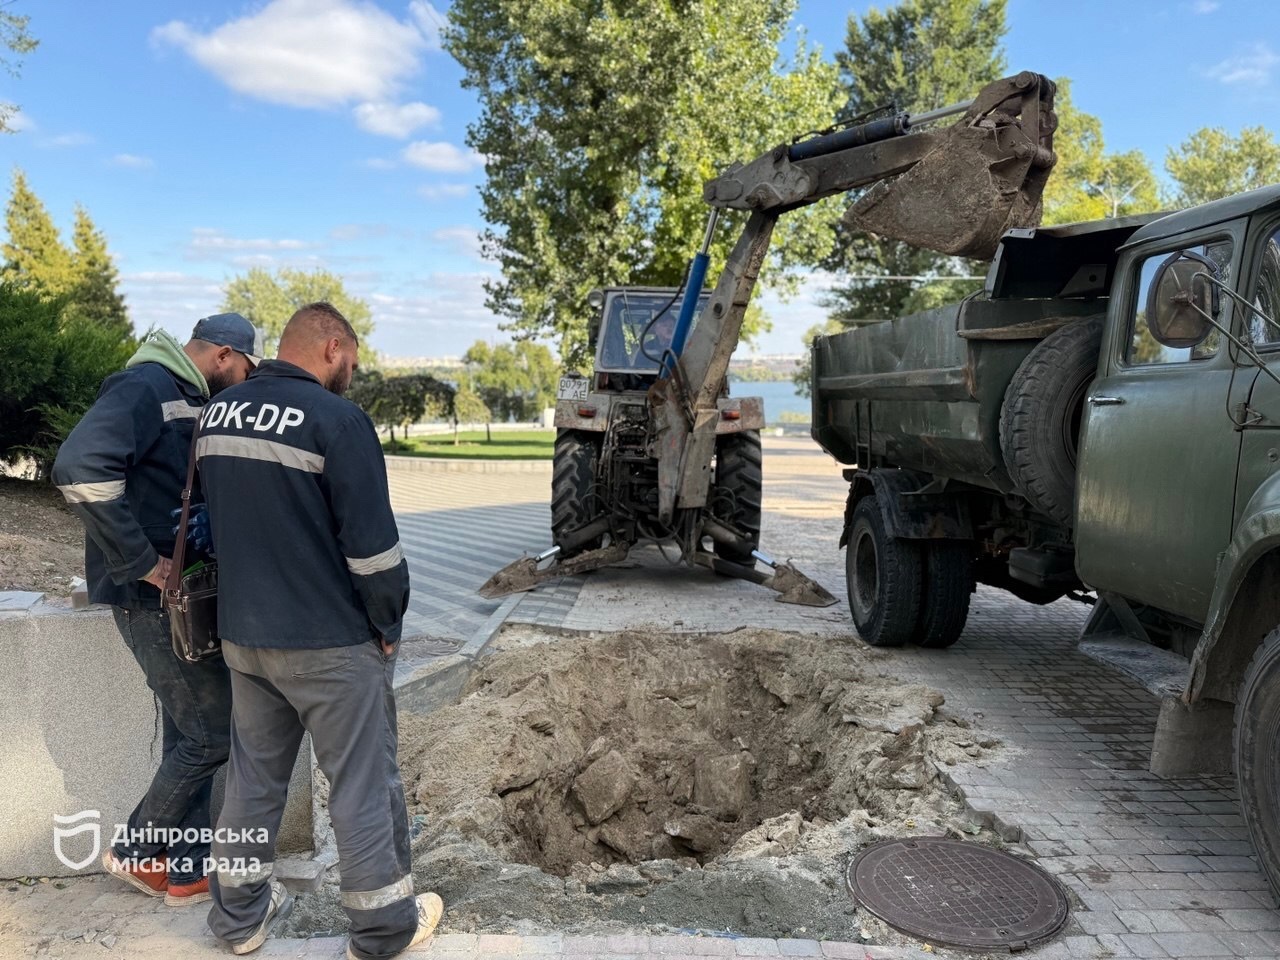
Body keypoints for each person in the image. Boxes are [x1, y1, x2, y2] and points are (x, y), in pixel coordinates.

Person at [197, 302, 439, 959]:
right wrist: (387, 621)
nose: (350, 374)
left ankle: (237, 920)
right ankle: (383, 931)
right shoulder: (338, 420)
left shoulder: (218, 414)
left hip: (244, 639)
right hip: (329, 643)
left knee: (252, 783)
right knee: (362, 786)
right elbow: (375, 554)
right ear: (332, 346)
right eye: (350, 361)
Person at [51, 314, 262, 905]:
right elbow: (79, 468)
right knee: (212, 734)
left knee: (186, 733)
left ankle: (185, 870)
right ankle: (136, 850)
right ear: (224, 355)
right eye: (245, 372)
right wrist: (142, 562)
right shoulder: (145, 386)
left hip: (181, 598)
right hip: (150, 599)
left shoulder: (185, 394)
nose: (244, 384)